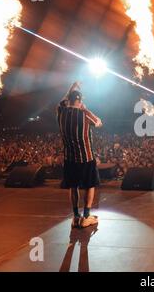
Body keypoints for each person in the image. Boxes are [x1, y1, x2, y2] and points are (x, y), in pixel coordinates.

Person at [57, 82, 103, 229]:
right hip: (86, 158)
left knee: (73, 186)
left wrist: (72, 87)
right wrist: (85, 109)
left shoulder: (61, 112)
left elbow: (62, 101)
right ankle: (86, 216)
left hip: (69, 158)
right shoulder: (84, 115)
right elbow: (99, 122)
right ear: (80, 101)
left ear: (68, 100)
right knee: (90, 186)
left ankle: (76, 216)